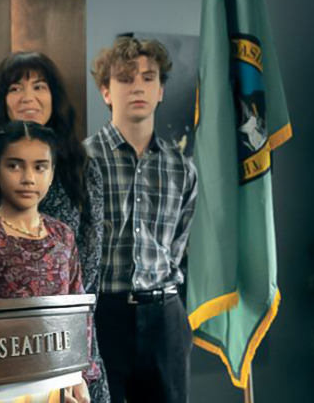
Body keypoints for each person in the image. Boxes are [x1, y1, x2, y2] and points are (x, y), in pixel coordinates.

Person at [0, 52, 109, 402]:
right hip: (4, 358)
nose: (28, 97)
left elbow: (87, 271)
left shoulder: (82, 169)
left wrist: (73, 365)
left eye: (39, 86)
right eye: (15, 88)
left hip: (69, 343)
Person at [85, 36, 198, 403]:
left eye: (148, 78)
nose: (138, 87)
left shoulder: (182, 168)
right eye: (125, 78)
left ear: (160, 91)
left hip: (164, 317)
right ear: (106, 91)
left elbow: (177, 246)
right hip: (103, 316)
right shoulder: (81, 161)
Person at [0, 121, 96, 403]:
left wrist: (79, 375)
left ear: (52, 173)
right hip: (4, 381)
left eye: (39, 167)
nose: (28, 178)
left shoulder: (62, 234)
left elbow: (80, 310)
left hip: (61, 375)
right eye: (15, 166)